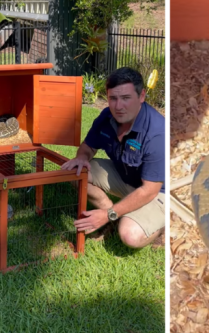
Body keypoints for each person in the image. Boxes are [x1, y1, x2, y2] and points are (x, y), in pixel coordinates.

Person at [62, 67, 165, 248]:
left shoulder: (157, 133)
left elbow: (149, 190)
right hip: (127, 179)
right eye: (113, 98)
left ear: (141, 96)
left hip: (156, 192)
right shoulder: (107, 117)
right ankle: (110, 215)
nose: (118, 106)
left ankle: (160, 227)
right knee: (76, 171)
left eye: (126, 98)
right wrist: (81, 157)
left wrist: (110, 213)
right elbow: (88, 146)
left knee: (130, 235)